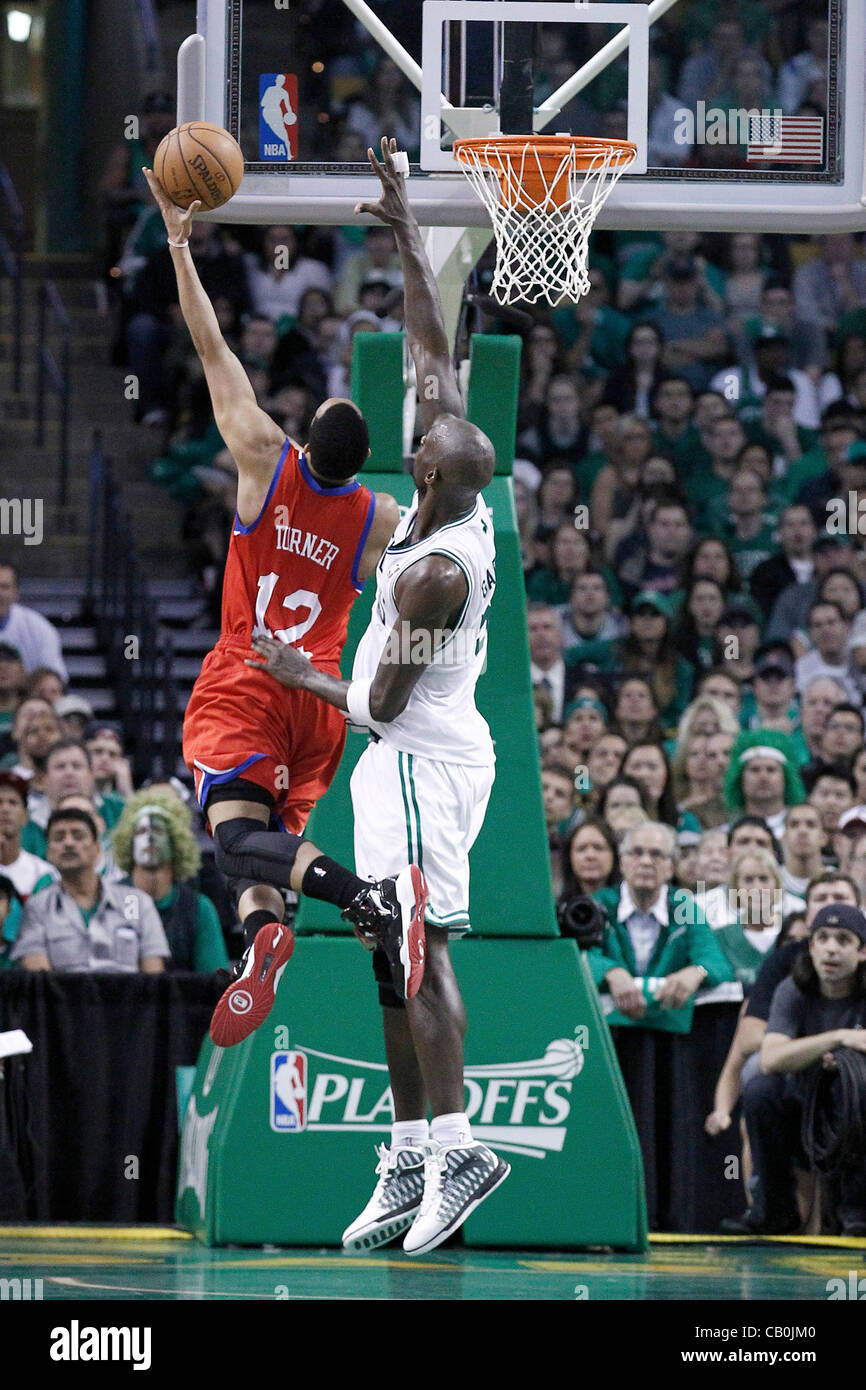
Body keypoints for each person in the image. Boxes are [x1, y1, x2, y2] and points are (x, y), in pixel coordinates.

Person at [238, 138, 510, 1257]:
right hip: (409, 756)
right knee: (382, 942)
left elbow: (383, 703)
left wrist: (305, 677)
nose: (413, 426)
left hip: (416, 756)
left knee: (420, 951)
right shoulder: (442, 491)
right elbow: (432, 353)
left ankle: (460, 1144)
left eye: (422, 439)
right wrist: (405, 232)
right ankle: (405, 1148)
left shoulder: (440, 570)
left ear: (437, 472)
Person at [143, 165, 424, 1047]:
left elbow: (211, 345)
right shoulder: (381, 520)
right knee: (261, 861)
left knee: (232, 842)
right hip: (321, 704)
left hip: (248, 678)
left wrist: (181, 246)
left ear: (306, 435)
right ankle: (267, 933)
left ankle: (366, 900)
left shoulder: (265, 457)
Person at [742, 903, 866, 1236]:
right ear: (811, 947)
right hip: (803, 1105)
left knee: (856, 1084)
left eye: (843, 940)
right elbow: (771, 1058)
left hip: (852, 1107)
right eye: (822, 938)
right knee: (759, 1090)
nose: (831, 948)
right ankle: (774, 1210)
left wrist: (846, 1062)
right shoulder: (793, 988)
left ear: (862, 952)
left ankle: (856, 1210)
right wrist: (837, 1040)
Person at [586, 821, 732, 1033]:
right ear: (622, 863)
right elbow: (581, 957)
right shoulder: (598, 905)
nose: (646, 862)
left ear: (670, 867)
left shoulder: (685, 907)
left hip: (668, 1037)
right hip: (606, 1032)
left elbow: (716, 961)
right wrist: (610, 971)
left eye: (656, 854)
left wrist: (696, 972)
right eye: (636, 853)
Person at [11, 808, 169, 973]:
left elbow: (153, 976)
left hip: (128, 998)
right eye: (59, 838)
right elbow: (40, 981)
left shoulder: (134, 902)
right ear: (48, 852)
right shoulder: (39, 907)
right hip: (63, 998)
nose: (69, 843)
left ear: (97, 848)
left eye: (78, 836)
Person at [111, 789, 229, 973]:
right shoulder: (109, 900)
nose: (149, 838)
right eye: (141, 831)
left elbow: (213, 981)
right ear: (128, 841)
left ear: (176, 842)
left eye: (158, 830)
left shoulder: (199, 908)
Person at [0, 563, 68, 683]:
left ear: (16, 593)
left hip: (27, 698)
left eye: (4, 587)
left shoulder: (39, 629)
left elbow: (54, 680)